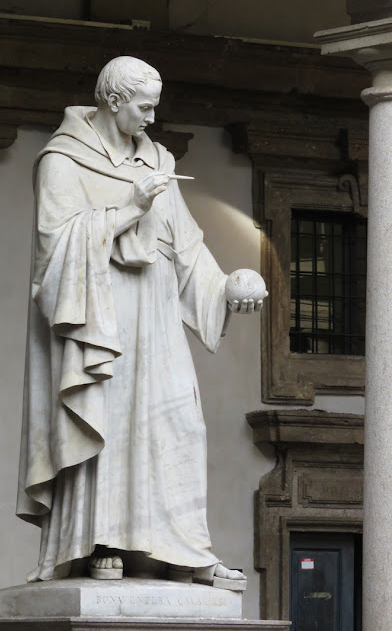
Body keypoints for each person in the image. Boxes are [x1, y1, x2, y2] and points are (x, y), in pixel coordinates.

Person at [16, 56, 265, 586]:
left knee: (178, 424)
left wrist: (225, 290)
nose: (152, 117)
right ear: (112, 101)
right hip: (97, 318)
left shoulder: (158, 158)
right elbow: (53, 246)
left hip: (154, 314)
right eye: (144, 106)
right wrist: (131, 206)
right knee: (109, 421)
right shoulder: (63, 160)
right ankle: (97, 541)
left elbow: (186, 245)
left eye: (155, 106)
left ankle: (183, 550)